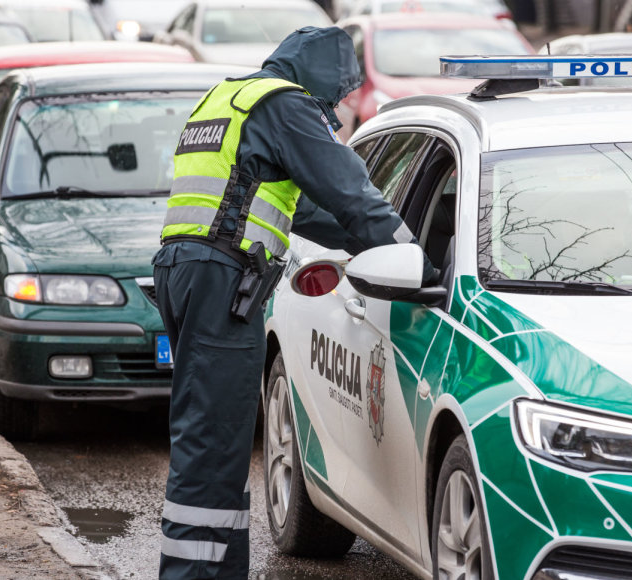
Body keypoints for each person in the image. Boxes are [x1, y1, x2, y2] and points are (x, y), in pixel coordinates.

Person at [152, 25, 437, 580]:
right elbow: (348, 191)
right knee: (210, 443)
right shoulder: (286, 106)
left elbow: (306, 211)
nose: (334, 108)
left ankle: (220, 570)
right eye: (336, 94)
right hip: (221, 279)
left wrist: (364, 242)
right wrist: (417, 261)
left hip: (187, 273)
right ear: (322, 79)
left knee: (218, 437)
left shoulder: (230, 98)